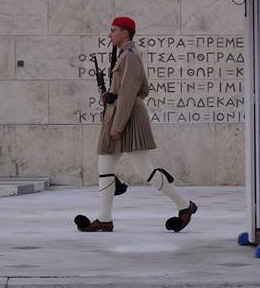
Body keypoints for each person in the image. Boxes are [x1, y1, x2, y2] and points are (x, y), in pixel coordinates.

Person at [74, 16, 198, 233]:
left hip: (128, 118)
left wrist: (118, 125)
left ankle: (185, 205)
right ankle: (104, 219)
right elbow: (143, 89)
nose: (109, 34)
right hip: (119, 113)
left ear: (125, 33)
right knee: (105, 166)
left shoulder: (130, 57)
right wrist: (111, 97)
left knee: (143, 169)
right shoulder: (125, 56)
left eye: (113, 30)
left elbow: (131, 93)